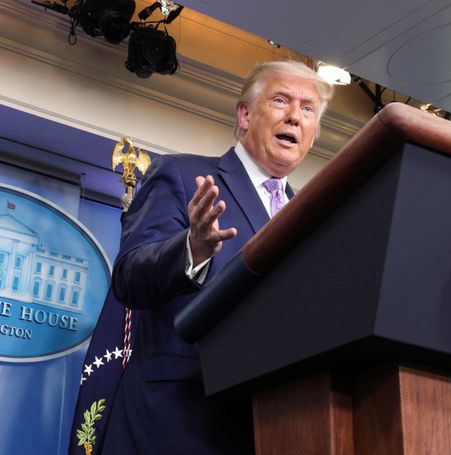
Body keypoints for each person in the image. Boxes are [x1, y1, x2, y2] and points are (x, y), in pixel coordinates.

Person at [100, 60, 334, 454]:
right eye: (281, 100)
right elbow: (129, 276)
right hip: (180, 422)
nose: (295, 116)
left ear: (313, 134)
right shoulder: (181, 174)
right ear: (244, 114)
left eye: (308, 109)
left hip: (277, 424)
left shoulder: (314, 217)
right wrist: (191, 249)